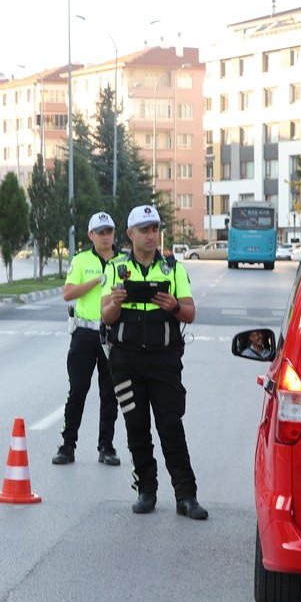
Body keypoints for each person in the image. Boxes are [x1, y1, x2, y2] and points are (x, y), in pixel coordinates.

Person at [100, 205, 208, 520]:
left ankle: (186, 496)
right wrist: (115, 303)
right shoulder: (116, 268)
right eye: (145, 229)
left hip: (164, 360)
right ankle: (146, 490)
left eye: (155, 229)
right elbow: (104, 316)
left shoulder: (172, 268)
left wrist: (174, 305)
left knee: (171, 425)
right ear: (130, 234)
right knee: (136, 426)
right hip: (126, 360)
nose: (151, 235)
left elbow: (190, 312)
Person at [53, 211, 122, 466]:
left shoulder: (123, 261)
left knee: (110, 394)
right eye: (100, 232)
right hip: (84, 334)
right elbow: (68, 293)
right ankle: (67, 445)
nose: (105, 236)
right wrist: (96, 281)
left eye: (109, 231)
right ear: (91, 235)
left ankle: (106, 446)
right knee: (78, 391)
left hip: (112, 334)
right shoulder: (81, 260)